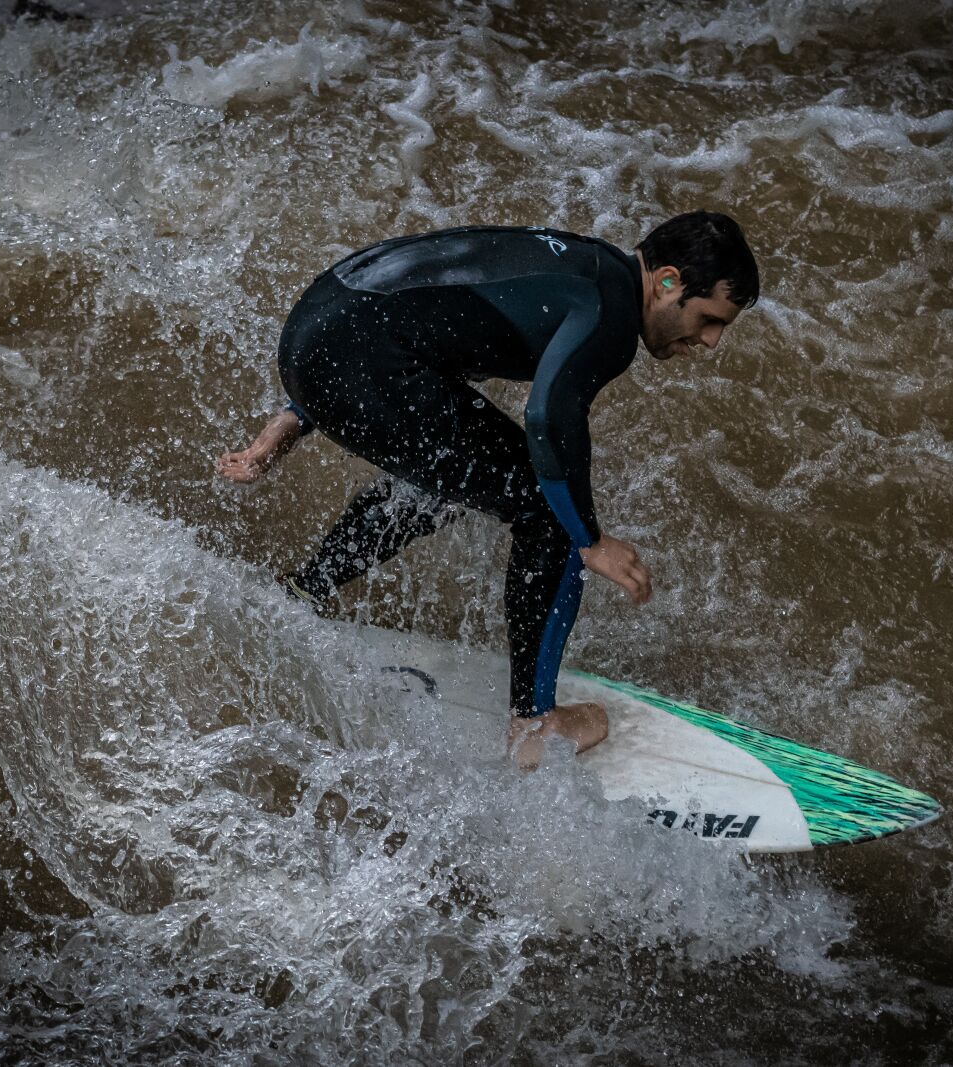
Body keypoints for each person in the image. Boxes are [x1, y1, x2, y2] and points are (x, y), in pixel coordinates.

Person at [217, 212, 759, 768]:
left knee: (459, 471)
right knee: (547, 510)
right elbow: (548, 418)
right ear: (668, 282)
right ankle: (534, 725)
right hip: (359, 360)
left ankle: (302, 593)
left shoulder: (582, 262)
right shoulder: (610, 319)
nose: (713, 340)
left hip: (315, 337)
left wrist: (297, 414)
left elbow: (414, 305)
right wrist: (589, 536)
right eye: (710, 317)